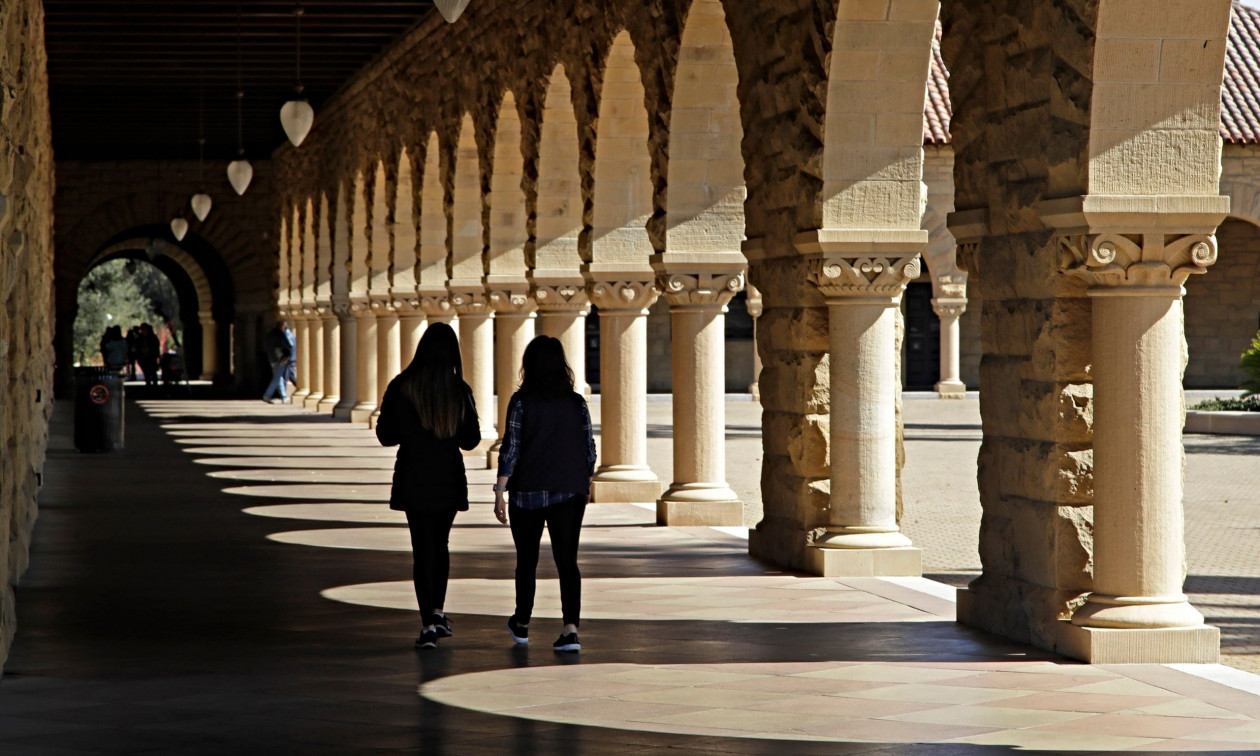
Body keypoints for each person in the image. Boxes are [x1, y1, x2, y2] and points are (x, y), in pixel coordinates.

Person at [375, 323, 481, 649]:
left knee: (422, 548)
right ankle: (437, 611)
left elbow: (385, 435)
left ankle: (427, 626)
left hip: (414, 476)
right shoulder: (458, 389)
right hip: (447, 476)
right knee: (441, 544)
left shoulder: (402, 386)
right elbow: (471, 440)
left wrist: (411, 430)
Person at [494, 335, 597, 654]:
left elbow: (511, 447)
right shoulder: (576, 402)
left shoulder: (521, 401)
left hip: (527, 491)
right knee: (568, 561)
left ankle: (522, 622)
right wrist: (585, 482)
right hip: (568, 490)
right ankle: (570, 629)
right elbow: (589, 448)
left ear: (529, 366)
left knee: (527, 560)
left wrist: (500, 490)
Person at [262, 320, 294, 403]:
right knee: (277, 378)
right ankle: (267, 395)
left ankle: (284, 396)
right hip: (280, 359)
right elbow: (288, 345)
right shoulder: (280, 335)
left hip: (272, 359)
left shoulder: (270, 335)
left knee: (278, 377)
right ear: (282, 327)